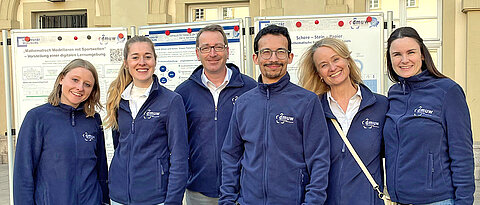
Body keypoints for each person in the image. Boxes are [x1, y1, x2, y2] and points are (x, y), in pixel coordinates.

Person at [219, 24, 330, 205]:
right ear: (256, 58)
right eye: (266, 52)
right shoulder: (243, 103)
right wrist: (227, 200)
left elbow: (319, 160)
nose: (273, 59)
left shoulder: (307, 102)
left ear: (290, 57)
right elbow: (231, 155)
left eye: (280, 52)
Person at [383, 27, 474, 204]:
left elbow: (462, 154)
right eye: (397, 54)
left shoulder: (448, 91)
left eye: (411, 52)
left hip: (437, 200)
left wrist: (464, 201)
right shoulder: (393, 94)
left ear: (422, 55)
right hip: (398, 200)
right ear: (390, 59)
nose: (404, 60)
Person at [298, 38, 388, 204]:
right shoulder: (312, 110)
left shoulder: (381, 105)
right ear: (319, 74)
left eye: (336, 59)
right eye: (324, 65)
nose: (332, 68)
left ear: (348, 60)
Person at [175, 24, 256, 205]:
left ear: (227, 50)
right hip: (199, 190)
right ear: (198, 53)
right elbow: (177, 142)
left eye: (218, 47)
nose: (213, 53)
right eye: (206, 48)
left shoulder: (250, 89)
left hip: (242, 190)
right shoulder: (183, 93)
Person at [105, 36, 188, 205]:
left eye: (147, 56)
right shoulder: (118, 99)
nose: (142, 62)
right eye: (135, 57)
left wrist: (173, 201)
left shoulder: (171, 101)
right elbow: (119, 146)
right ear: (126, 63)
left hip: (155, 198)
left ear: (155, 61)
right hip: (119, 197)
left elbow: (179, 156)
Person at [13, 59, 109, 204]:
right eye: (75, 80)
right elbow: (23, 173)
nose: (80, 88)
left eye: (87, 84)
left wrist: (104, 200)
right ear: (61, 79)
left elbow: (101, 169)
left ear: (92, 90)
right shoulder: (37, 117)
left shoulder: (93, 119)